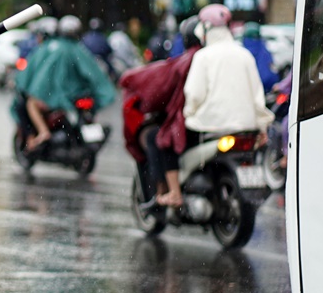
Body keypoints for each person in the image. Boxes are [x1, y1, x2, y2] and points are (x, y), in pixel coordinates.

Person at [119, 15, 202, 207]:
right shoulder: (229, 54)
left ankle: (170, 192)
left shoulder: (188, 60)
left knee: (161, 138)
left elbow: (161, 84)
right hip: (230, 123)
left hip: (199, 121)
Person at [183, 4, 274, 178]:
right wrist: (262, 125)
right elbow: (257, 97)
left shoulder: (203, 57)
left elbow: (194, 95)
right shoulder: (245, 55)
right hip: (246, 127)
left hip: (211, 126)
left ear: (206, 28)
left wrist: (189, 112)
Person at [16, 15, 116, 151]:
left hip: (56, 98)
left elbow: (33, 75)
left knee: (31, 103)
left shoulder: (51, 49)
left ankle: (43, 132)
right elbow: (94, 73)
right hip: (76, 96)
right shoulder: (80, 50)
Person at [239, 22, 279, 92]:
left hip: (246, 91)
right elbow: (272, 74)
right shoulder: (264, 51)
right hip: (265, 89)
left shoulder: (242, 52)